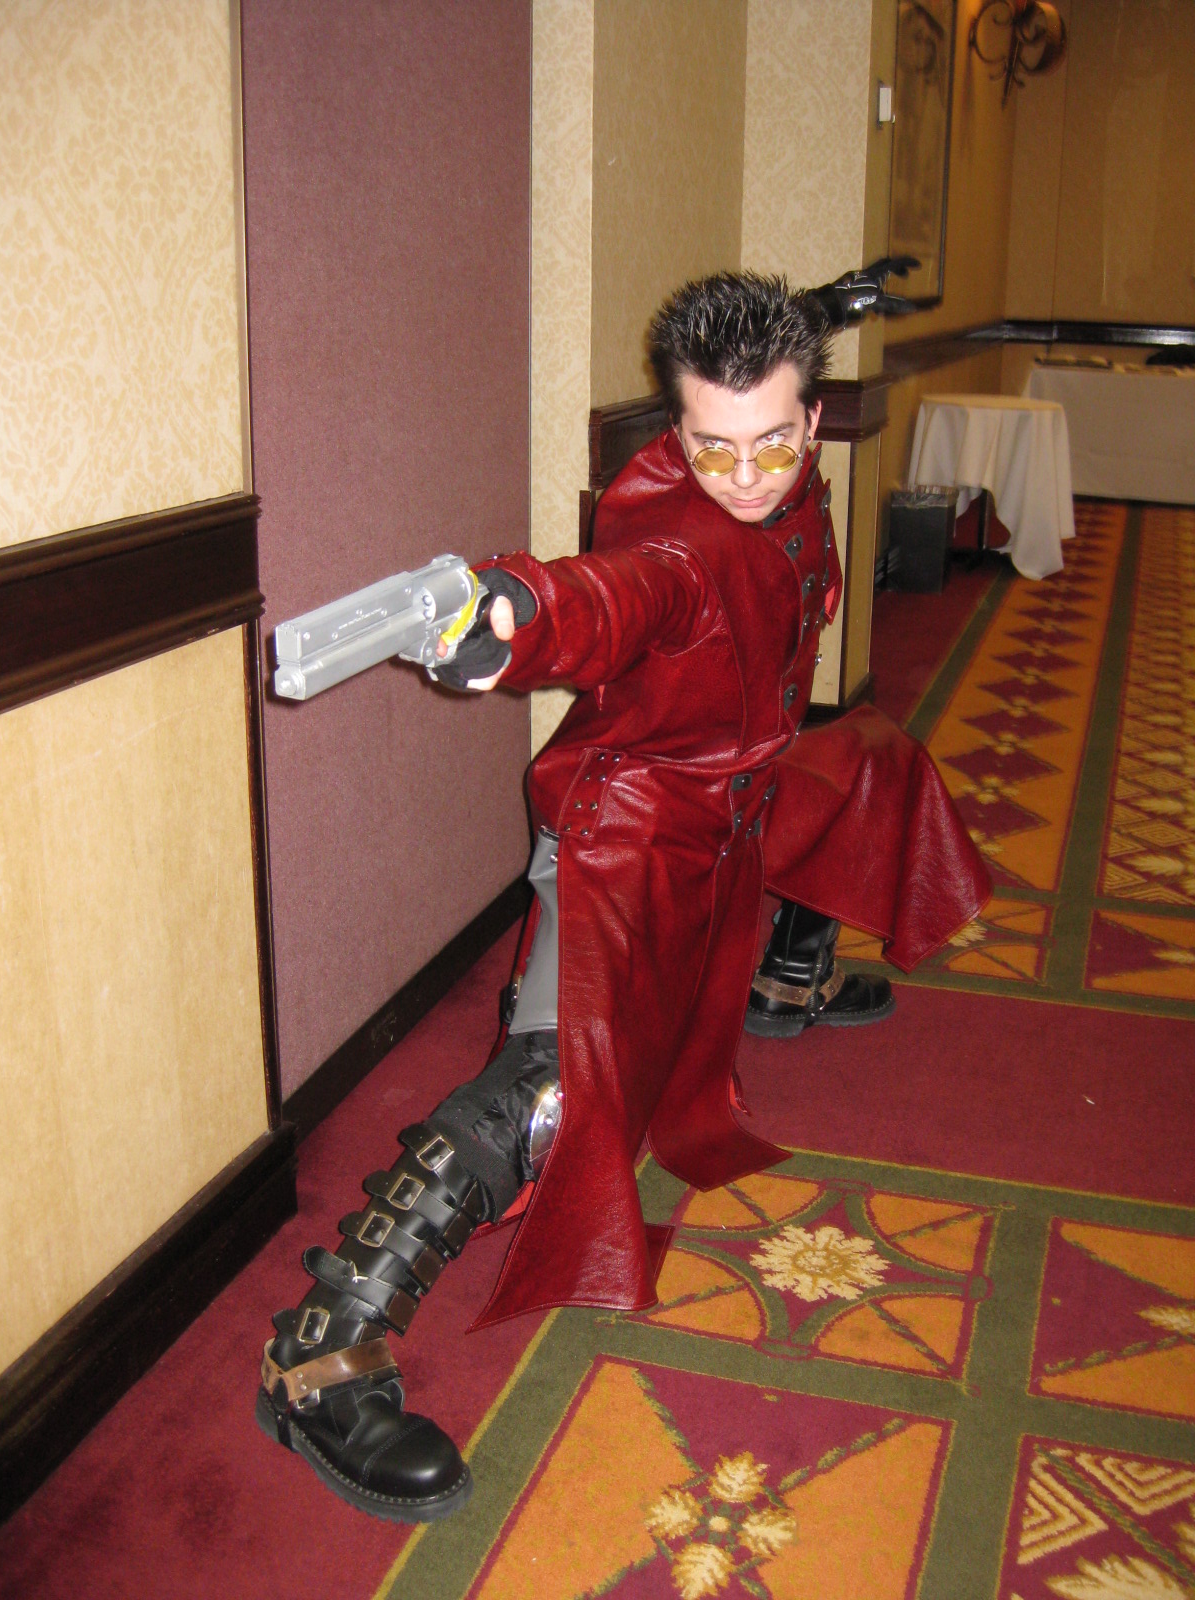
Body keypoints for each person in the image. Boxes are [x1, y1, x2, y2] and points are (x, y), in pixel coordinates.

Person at [255, 269, 990, 1523]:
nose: (745, 476)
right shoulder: (678, 544)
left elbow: (778, 381)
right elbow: (603, 598)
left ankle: (784, 977)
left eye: (773, 443)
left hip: (737, 799)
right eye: (711, 447)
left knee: (866, 761)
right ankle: (321, 1348)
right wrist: (502, 612)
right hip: (631, 838)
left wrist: (830, 305)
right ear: (674, 430)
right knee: (555, 1089)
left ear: (813, 419)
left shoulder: (784, 456)